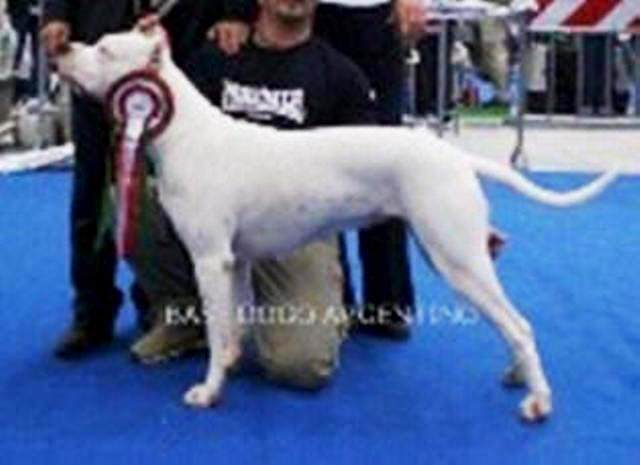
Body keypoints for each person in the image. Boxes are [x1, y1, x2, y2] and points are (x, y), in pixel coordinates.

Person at [129, 0, 376, 388]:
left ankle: (323, 306)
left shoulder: (342, 76)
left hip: (298, 231)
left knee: (301, 366)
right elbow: (164, 120)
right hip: (216, 213)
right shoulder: (215, 58)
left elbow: (368, 172)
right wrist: (143, 50)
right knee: (132, 193)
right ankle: (185, 315)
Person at [40, 0, 254, 358]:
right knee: (93, 189)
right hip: (101, 34)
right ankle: (92, 310)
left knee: (187, 193)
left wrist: (234, 11)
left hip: (183, 40)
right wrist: (56, 13)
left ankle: (171, 307)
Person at [312, 0, 426, 338]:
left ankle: (388, 303)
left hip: (377, 16)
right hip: (313, 14)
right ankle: (334, 298)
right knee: (317, 165)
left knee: (384, 164)